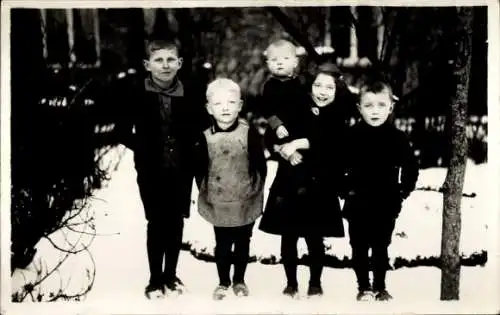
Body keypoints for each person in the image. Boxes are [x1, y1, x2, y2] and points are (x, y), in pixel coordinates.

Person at [110, 38, 207, 299]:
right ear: (147, 64)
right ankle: (154, 280)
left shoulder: (191, 93)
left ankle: (171, 276)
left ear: (179, 63)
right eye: (158, 60)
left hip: (181, 169)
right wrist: (144, 148)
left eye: (170, 60)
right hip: (151, 170)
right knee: (156, 221)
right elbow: (120, 131)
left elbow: (201, 128)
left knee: (175, 221)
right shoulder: (135, 93)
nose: (165, 65)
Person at [258, 61, 354, 299]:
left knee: (314, 236)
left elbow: (330, 145)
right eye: (318, 85)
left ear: (337, 90)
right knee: (288, 235)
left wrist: (299, 143)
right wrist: (284, 149)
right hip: (290, 180)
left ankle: (315, 283)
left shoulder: (339, 114)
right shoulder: (297, 106)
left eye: (328, 87)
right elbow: (274, 134)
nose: (322, 91)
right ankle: (291, 283)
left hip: (320, 183)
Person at [341, 79, 419, 302]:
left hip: (386, 202)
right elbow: (337, 166)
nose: (375, 111)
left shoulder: (398, 138)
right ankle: (363, 286)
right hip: (357, 202)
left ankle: (380, 286)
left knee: (380, 246)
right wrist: (344, 189)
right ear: (359, 108)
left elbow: (411, 166)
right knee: (358, 245)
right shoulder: (352, 136)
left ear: (390, 107)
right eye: (368, 105)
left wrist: (403, 190)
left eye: (381, 105)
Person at [193, 78, 267, 301]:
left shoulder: (248, 132)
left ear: (240, 105)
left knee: (243, 242)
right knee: (223, 243)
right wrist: (206, 189)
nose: (225, 108)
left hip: (246, 197)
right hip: (219, 199)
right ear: (209, 108)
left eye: (231, 102)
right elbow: (199, 168)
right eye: (218, 104)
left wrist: (255, 188)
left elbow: (260, 165)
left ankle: (239, 280)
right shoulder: (205, 136)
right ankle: (223, 281)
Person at [260, 39, 311, 144]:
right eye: (274, 60)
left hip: (300, 131)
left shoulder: (299, 82)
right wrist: (277, 125)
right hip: (280, 132)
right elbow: (266, 110)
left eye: (285, 58)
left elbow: (304, 100)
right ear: (268, 63)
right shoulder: (270, 86)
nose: (279, 63)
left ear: (295, 62)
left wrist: (311, 107)